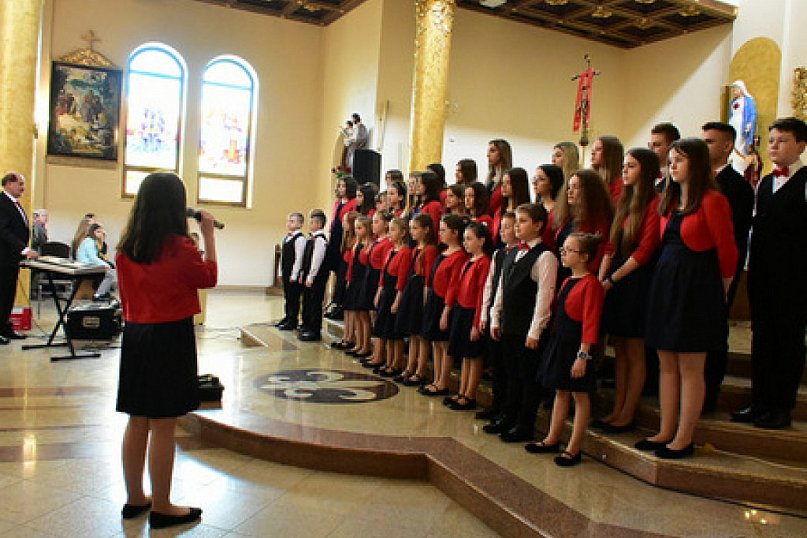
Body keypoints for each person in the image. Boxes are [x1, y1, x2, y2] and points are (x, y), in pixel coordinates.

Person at [115, 172, 216, 529]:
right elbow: (208, 278)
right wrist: (208, 235)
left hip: (136, 334)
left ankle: (134, 498)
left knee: (137, 419)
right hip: (169, 336)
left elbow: (125, 297)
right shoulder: (179, 247)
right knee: (163, 423)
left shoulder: (126, 247)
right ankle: (162, 505)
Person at [641, 138, 737, 459]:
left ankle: (684, 437)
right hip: (667, 284)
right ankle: (665, 430)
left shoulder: (712, 200)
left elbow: (727, 251)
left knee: (690, 367)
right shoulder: (668, 201)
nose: (673, 167)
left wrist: (722, 292)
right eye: (670, 161)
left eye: (679, 160)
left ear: (696, 164)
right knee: (666, 363)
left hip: (697, 287)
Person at [733, 117, 807, 429]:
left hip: (794, 279)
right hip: (763, 276)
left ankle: (781, 406)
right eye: (772, 140)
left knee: (787, 342)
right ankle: (760, 400)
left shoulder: (804, 182)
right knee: (762, 340)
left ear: (801, 145)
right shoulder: (764, 183)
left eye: (783, 140)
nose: (774, 146)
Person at [596, 148, 661, 432]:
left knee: (634, 351)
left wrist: (611, 280)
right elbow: (610, 246)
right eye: (624, 165)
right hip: (616, 279)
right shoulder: (624, 201)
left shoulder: (654, 203)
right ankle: (617, 407)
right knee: (620, 349)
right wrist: (600, 281)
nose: (624, 170)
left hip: (636, 281)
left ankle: (628, 411)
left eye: (631, 166)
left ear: (645, 171)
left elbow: (644, 251)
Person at [527, 232, 604, 467]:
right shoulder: (567, 280)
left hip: (577, 346)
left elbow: (590, 322)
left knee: (579, 395)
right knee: (560, 391)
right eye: (563, 249)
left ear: (584, 257)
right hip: (561, 341)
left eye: (569, 250)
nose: (563, 253)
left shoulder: (591, 284)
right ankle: (552, 438)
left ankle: (574, 447)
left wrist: (583, 355)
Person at [487, 203, 558, 442]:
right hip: (509, 323)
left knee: (528, 377)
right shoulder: (512, 253)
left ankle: (525, 424)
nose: (517, 226)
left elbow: (544, 297)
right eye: (515, 221)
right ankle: (508, 416)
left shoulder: (545, 257)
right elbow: (501, 289)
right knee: (511, 374)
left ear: (538, 225)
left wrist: (535, 331)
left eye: (523, 221)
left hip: (527, 327)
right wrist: (495, 316)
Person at [701, 122, 755, 411]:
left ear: (727, 146)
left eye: (709, 141)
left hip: (719, 271)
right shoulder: (696, 181)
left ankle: (709, 391)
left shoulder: (738, 187)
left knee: (713, 332)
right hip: (693, 271)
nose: (703, 146)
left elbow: (733, 238)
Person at [444, 222, 493, 410]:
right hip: (462, 309)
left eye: (469, 239)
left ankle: (470, 394)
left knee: (474, 356)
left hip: (473, 311)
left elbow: (481, 294)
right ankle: (462, 391)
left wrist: (476, 322)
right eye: (464, 239)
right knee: (465, 355)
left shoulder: (484, 262)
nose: (465, 243)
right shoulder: (469, 260)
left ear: (481, 241)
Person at [419, 214, 468, 396]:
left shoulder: (459, 256)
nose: (440, 233)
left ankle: (443, 382)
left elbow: (453, 285)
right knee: (435, 342)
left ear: (455, 233)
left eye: (443, 230)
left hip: (445, 302)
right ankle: (436, 378)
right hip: (435, 299)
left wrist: (447, 310)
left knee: (444, 344)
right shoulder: (444, 252)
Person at [476, 211, 518, 420]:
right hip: (494, 311)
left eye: (508, 227)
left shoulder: (519, 254)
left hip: (510, 315)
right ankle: (496, 404)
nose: (502, 231)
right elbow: (490, 285)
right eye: (501, 227)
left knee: (508, 367)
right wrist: (485, 313)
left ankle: (507, 409)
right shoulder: (499, 254)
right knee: (496, 365)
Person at [395, 213, 438, 386]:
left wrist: (426, 301)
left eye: (415, 228)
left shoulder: (430, 250)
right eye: (411, 228)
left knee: (421, 335)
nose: (412, 231)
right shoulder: (415, 249)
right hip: (413, 290)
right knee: (413, 333)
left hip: (422, 291)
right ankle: (410, 366)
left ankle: (420, 370)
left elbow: (428, 277)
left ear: (426, 230)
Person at [552, 169, 613, 283]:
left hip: (583, 279)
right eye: (569, 187)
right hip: (563, 276)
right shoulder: (567, 216)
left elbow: (599, 255)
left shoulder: (599, 220)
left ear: (589, 191)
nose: (569, 192)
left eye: (575, 187)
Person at [0, 172, 38, 343]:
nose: (23, 188)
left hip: (11, 260)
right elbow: (3, 231)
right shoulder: (2, 203)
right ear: (9, 184)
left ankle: (5, 327)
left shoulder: (14, 203)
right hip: (3, 258)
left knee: (8, 295)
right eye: (20, 184)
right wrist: (23, 248)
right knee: (2, 294)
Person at [373, 218, 412, 377]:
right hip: (386, 291)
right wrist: (379, 291)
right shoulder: (391, 250)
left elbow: (402, 278)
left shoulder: (405, 252)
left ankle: (396, 363)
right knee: (386, 330)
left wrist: (397, 299)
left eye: (393, 230)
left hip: (395, 293)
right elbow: (383, 273)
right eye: (388, 229)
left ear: (402, 233)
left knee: (395, 332)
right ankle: (388, 361)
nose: (389, 233)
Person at [324, 176, 357, 321]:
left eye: (343, 186)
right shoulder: (338, 203)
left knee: (343, 272)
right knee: (335, 271)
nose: (340, 188)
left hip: (344, 238)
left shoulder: (353, 203)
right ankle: (334, 302)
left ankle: (341, 304)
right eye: (339, 186)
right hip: (335, 237)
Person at [339, 215, 372, 356]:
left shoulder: (369, 246)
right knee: (356, 314)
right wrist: (348, 279)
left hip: (363, 282)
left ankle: (365, 345)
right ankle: (358, 343)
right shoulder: (356, 245)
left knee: (363, 316)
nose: (357, 231)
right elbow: (351, 265)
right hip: (354, 280)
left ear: (367, 229)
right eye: (356, 228)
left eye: (360, 228)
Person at [298, 209, 329, 342]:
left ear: (319, 224)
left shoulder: (320, 240)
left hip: (316, 277)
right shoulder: (312, 238)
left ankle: (314, 330)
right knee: (307, 301)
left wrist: (311, 276)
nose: (309, 225)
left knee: (315, 302)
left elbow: (317, 260)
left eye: (312, 222)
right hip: (307, 275)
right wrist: (303, 273)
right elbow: (307, 259)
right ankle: (306, 325)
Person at [276, 213, 306, 331]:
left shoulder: (300, 239)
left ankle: (293, 320)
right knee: (287, 296)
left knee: (293, 297)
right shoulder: (286, 238)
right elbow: (282, 257)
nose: (289, 223)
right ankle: (287, 316)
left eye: (292, 221)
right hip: (286, 271)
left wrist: (294, 274)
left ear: (300, 224)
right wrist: (280, 272)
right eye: (289, 221)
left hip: (293, 273)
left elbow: (299, 258)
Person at [76, 223, 118, 301]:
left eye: (101, 232)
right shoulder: (89, 242)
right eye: (98, 232)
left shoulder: (92, 241)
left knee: (109, 270)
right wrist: (105, 264)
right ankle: (98, 294)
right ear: (93, 232)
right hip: (86, 265)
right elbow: (93, 258)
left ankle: (103, 292)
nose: (100, 234)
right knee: (109, 274)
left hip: (88, 264)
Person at [492, 168, 531, 243]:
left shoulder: (526, 212)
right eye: (502, 183)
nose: (503, 186)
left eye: (508, 183)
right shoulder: (500, 210)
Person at [532, 164, 565, 252]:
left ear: (552, 184)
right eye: (535, 178)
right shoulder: (534, 208)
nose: (535, 182)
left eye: (541, 179)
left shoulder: (561, 210)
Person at [728, 81, 758, 174]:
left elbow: (752, 114)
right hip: (733, 123)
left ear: (741, 89)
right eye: (733, 89)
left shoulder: (748, 101)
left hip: (741, 125)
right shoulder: (733, 101)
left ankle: (739, 163)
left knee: (739, 141)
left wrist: (749, 123)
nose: (734, 90)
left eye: (735, 88)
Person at [590, 135, 624, 204]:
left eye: (598, 149)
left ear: (610, 153)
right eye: (592, 150)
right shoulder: (592, 179)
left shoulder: (620, 183)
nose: (593, 153)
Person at [649, 122, 681, 192]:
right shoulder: (645, 176)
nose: (650, 149)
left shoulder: (680, 178)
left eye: (657, 145)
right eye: (649, 145)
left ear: (672, 146)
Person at [486, 139, 513, 216]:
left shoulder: (509, 178)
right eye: (488, 151)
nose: (488, 155)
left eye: (492, 151)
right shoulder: (490, 178)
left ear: (502, 153)